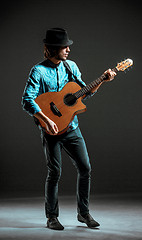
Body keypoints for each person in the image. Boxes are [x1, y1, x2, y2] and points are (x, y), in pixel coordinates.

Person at [21, 28, 116, 230]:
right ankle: (52, 217)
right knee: (55, 172)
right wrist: (45, 119)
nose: (68, 49)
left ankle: (84, 213)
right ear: (53, 49)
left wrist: (102, 81)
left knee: (85, 168)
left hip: (72, 127)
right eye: (64, 46)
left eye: (68, 46)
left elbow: (83, 93)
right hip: (51, 131)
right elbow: (27, 100)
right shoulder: (38, 71)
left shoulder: (71, 66)